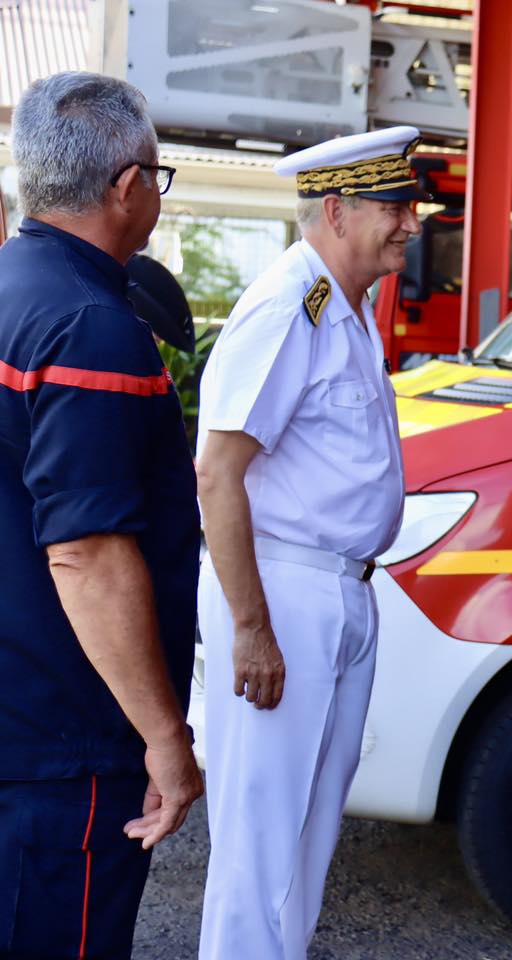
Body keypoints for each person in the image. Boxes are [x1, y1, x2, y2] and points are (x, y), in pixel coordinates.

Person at [195, 126, 420, 958]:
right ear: (336, 209)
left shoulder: (344, 307)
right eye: (394, 207)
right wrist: (253, 627)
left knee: (304, 840)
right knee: (262, 845)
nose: (411, 223)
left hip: (335, 588)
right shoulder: (292, 305)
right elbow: (217, 472)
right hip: (284, 594)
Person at [0, 71, 202, 957]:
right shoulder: (90, 325)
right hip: (66, 743)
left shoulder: (14, 290)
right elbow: (84, 551)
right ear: (127, 188)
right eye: (156, 177)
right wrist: (166, 738)